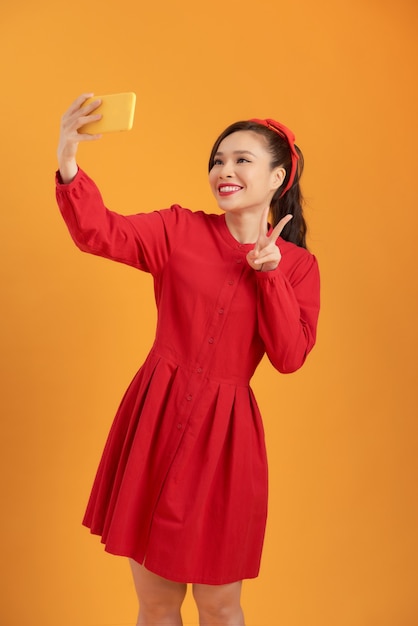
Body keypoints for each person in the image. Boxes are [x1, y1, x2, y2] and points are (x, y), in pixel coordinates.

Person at [56, 94, 320, 626]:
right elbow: (100, 232)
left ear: (278, 178)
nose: (224, 171)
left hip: (225, 441)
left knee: (220, 605)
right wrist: (68, 163)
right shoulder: (178, 230)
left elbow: (290, 357)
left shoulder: (298, 267)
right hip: (154, 419)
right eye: (217, 160)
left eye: (242, 160)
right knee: (155, 603)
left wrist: (269, 277)